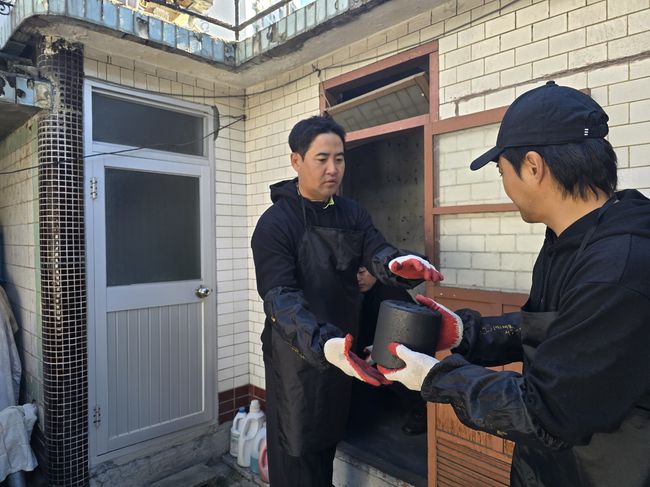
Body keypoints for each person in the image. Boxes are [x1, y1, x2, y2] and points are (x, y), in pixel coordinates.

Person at [375, 81, 650, 487]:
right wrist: (467, 333)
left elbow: (549, 413)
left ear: (534, 167)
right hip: (547, 469)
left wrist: (437, 378)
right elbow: (556, 328)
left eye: (503, 172)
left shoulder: (619, 269)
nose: (505, 187)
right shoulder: (569, 238)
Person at [250, 115, 445, 486]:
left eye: (339, 159)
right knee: (297, 448)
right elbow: (280, 299)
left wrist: (393, 264)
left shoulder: (352, 213)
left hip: (344, 349)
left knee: (328, 438)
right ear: (296, 161)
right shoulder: (276, 224)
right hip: (297, 354)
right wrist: (322, 344)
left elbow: (376, 250)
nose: (332, 169)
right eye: (321, 158)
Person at [354, 266, 427, 435]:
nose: (358, 278)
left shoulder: (391, 292)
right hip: (372, 346)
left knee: (393, 367)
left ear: (374, 270)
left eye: (362, 272)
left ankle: (420, 409)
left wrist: (379, 350)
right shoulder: (359, 294)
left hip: (402, 348)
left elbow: (408, 329)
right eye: (354, 273)